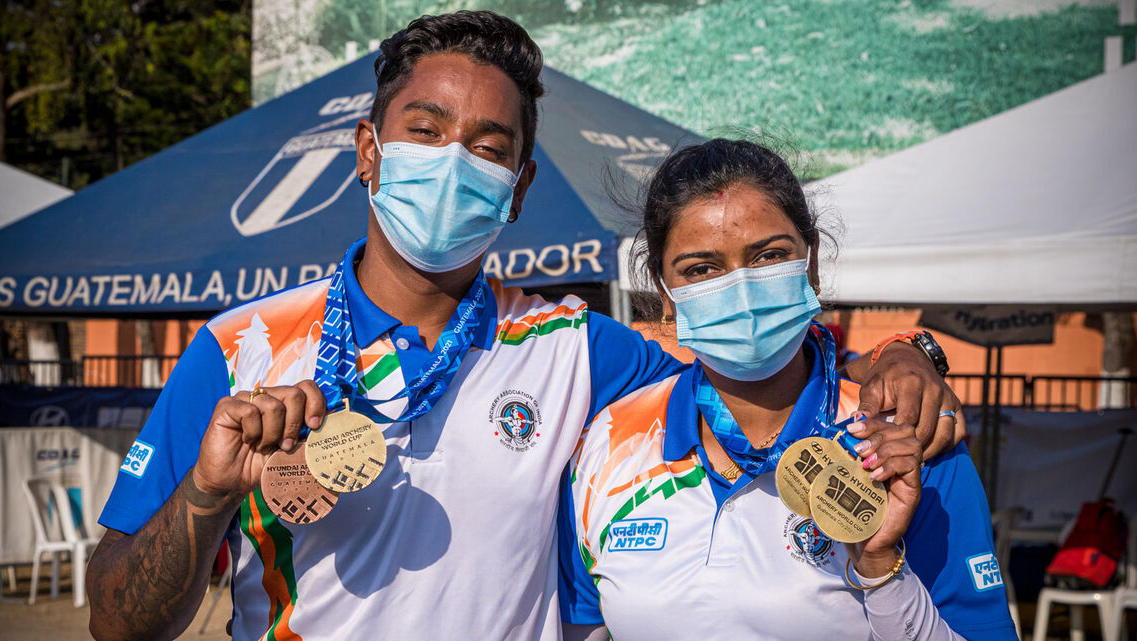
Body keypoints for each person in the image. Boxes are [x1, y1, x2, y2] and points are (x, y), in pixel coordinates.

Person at [87, 13, 964, 641]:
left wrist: (903, 355)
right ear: (368, 151)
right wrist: (206, 494)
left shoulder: (577, 349)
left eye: (488, 146)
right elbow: (115, 622)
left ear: (521, 183)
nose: (452, 163)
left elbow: (754, 354)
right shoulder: (239, 347)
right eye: (425, 132)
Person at [558, 139, 1017, 640]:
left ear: (811, 264)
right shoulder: (604, 448)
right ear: (665, 295)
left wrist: (881, 568)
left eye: (769, 256)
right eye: (701, 269)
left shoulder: (909, 443)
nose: (742, 288)